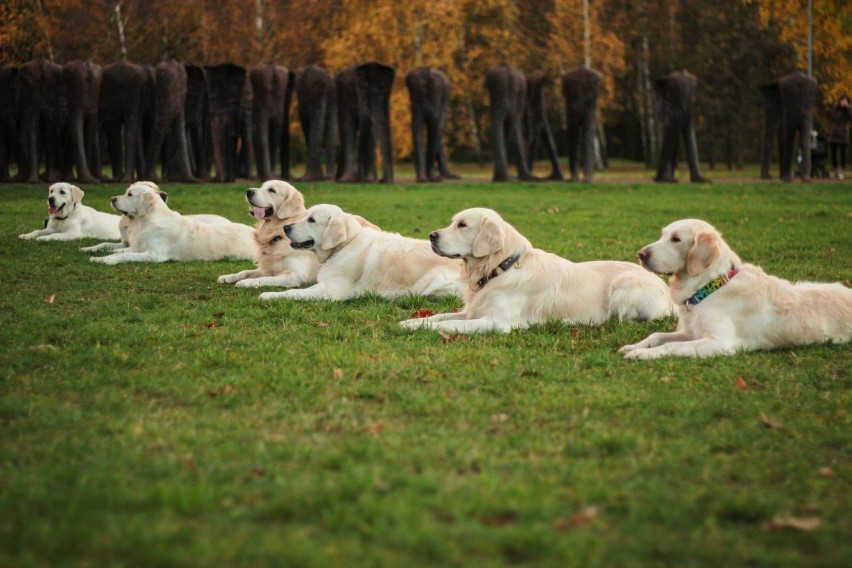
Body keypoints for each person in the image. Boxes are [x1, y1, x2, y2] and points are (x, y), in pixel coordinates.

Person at [827, 95, 850, 180]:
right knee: (833, 152)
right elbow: (832, 117)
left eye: (845, 101)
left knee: (843, 152)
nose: (843, 102)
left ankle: (842, 170)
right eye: (842, 100)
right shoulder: (835, 109)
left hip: (843, 133)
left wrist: (847, 108)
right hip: (834, 133)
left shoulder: (848, 110)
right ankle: (835, 168)